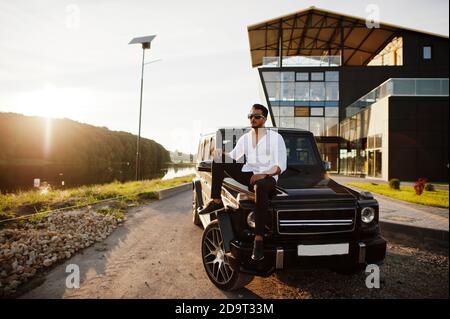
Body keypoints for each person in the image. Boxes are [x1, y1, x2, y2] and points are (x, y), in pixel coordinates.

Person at [198, 104, 287, 261]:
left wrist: (263, 174)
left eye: (257, 116)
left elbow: (281, 165)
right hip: (248, 174)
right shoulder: (245, 138)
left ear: (265, 119)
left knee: (260, 186)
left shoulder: (275, 138)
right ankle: (216, 200)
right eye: (250, 116)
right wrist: (220, 153)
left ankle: (258, 240)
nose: (253, 119)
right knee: (219, 159)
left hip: (268, 178)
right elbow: (233, 156)